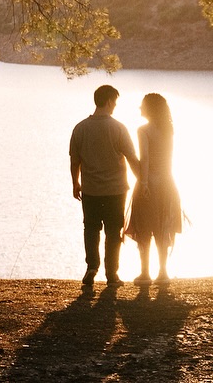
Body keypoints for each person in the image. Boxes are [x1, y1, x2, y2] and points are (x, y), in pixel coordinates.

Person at [69, 83, 139, 287]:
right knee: (113, 232)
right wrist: (143, 181)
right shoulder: (118, 128)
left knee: (90, 229)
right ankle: (112, 274)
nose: (115, 106)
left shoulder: (80, 128)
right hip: (115, 191)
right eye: (115, 102)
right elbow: (132, 158)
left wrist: (76, 183)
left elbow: (75, 160)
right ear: (109, 101)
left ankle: (91, 268)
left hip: (90, 190)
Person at [123, 92, 183, 283]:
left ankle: (145, 273)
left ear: (149, 108)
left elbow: (145, 159)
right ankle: (163, 273)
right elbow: (168, 159)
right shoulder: (168, 130)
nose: (139, 108)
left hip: (150, 184)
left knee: (144, 228)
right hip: (168, 183)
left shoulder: (143, 130)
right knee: (163, 227)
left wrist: (144, 183)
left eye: (142, 105)